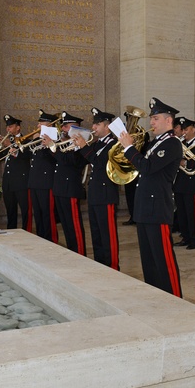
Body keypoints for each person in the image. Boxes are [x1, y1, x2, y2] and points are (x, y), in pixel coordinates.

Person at [118, 97, 183, 296]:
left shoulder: (172, 143)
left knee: (163, 259)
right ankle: (157, 295)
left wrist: (129, 148)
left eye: (155, 118)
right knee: (149, 259)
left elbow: (147, 167)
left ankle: (174, 298)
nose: (151, 122)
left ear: (168, 121)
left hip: (158, 209)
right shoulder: (155, 143)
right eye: (152, 119)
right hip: (145, 208)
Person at [74, 107, 121, 269]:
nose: (93, 128)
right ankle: (101, 264)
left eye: (97, 124)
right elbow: (82, 162)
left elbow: (100, 163)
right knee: (96, 233)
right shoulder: (97, 143)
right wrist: (76, 147)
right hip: (95, 193)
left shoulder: (114, 144)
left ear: (107, 126)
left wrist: (84, 147)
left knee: (108, 234)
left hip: (106, 194)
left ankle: (113, 266)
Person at [47, 112, 89, 254]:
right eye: (63, 126)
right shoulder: (65, 143)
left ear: (76, 128)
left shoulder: (81, 146)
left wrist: (54, 148)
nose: (63, 129)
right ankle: (72, 251)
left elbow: (71, 162)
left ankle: (80, 253)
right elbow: (57, 160)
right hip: (59, 188)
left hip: (71, 188)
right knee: (65, 224)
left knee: (74, 224)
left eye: (66, 126)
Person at [173, 116, 195, 249]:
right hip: (179, 183)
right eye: (183, 130)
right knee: (181, 213)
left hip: (191, 184)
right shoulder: (181, 144)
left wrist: (186, 162)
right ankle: (185, 237)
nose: (184, 132)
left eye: (186, 129)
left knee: (192, 214)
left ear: (193, 129)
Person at [28, 110, 59, 242]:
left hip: (46, 182)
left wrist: (48, 144)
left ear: (49, 125)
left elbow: (55, 159)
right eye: (38, 123)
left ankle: (50, 239)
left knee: (48, 213)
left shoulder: (55, 139)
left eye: (41, 123)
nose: (38, 125)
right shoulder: (38, 139)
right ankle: (41, 237)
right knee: (38, 213)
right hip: (35, 180)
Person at [0, 114, 32, 231]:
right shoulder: (6, 140)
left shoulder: (26, 140)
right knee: (10, 210)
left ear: (18, 127)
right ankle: (11, 231)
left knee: (25, 210)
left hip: (21, 181)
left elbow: (27, 155)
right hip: (8, 182)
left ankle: (27, 231)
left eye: (11, 126)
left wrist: (10, 145)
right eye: (7, 127)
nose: (8, 129)